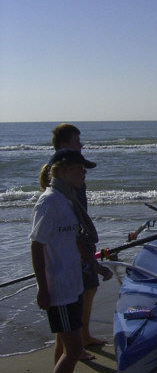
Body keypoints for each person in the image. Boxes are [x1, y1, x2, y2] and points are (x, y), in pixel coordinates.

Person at [30, 149, 109, 373]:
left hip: (74, 284)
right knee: (73, 349)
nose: (84, 173)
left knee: (69, 347)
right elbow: (37, 245)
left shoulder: (66, 200)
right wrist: (42, 288)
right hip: (59, 289)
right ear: (62, 169)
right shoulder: (48, 202)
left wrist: (95, 266)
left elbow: (76, 241)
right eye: (80, 168)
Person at [50, 124, 105, 357]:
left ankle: (82, 336)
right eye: (76, 141)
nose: (81, 145)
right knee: (76, 295)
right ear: (64, 146)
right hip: (75, 242)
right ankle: (71, 346)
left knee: (90, 287)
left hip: (82, 238)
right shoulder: (62, 178)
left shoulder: (77, 171)